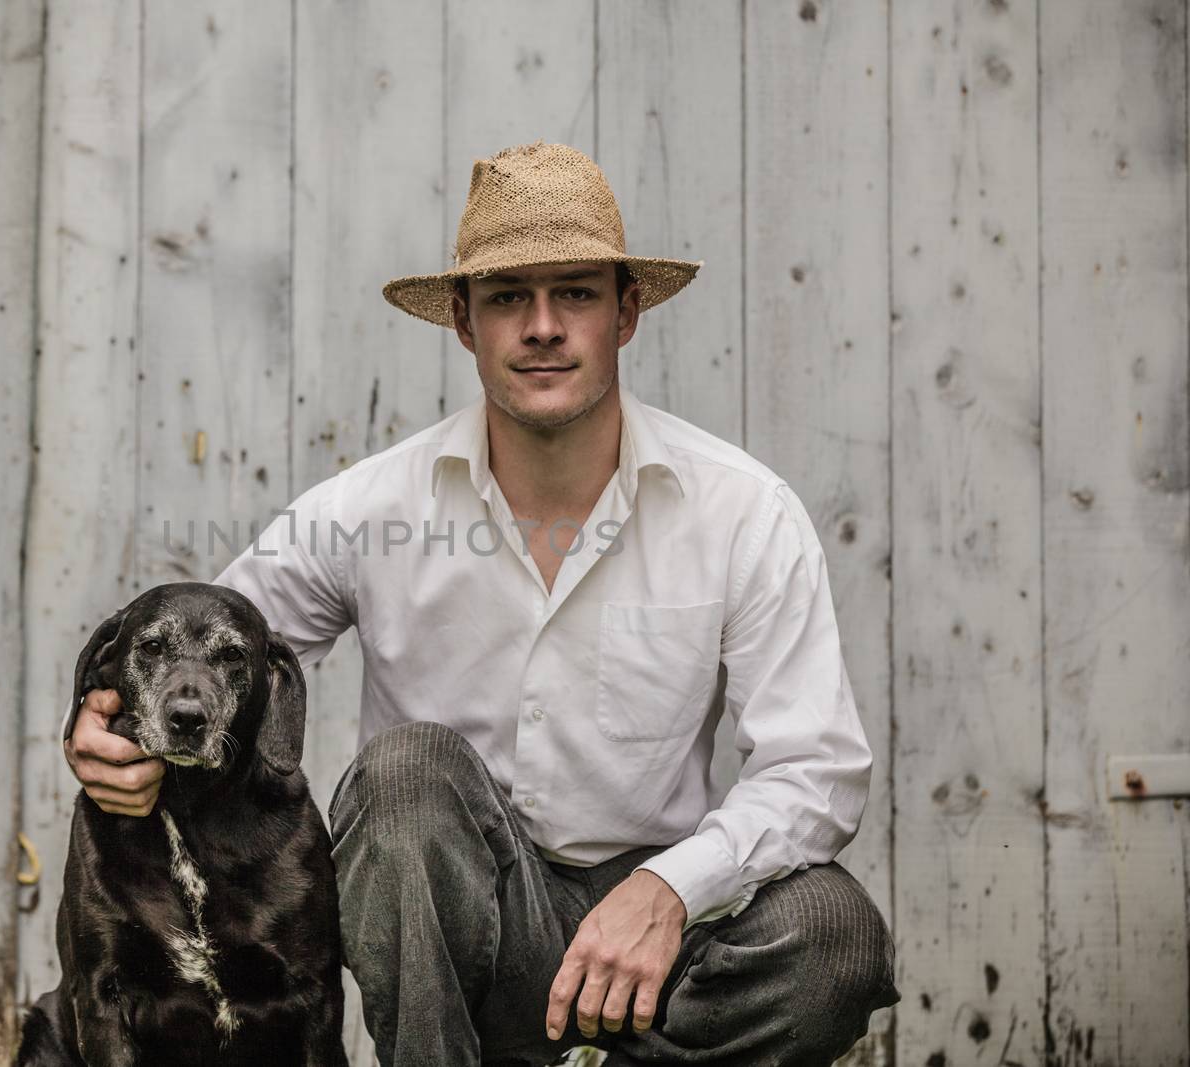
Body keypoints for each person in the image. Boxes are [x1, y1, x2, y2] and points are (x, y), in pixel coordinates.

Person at [62, 142, 899, 1065]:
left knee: (835, 933)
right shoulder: (368, 510)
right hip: (459, 937)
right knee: (407, 775)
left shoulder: (741, 510)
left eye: (575, 292)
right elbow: (208, 639)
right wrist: (105, 729)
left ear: (627, 313)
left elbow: (816, 768)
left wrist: (672, 886)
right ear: (463, 321)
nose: (543, 326)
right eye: (508, 297)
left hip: (660, 934)